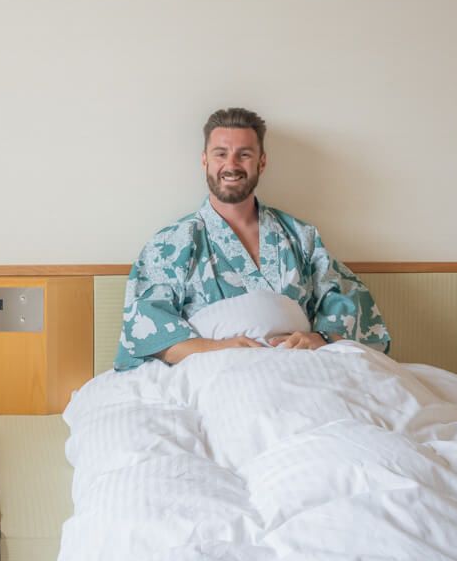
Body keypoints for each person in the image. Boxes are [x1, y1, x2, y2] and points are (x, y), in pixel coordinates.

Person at [114, 108, 389, 370]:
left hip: (303, 371)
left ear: (262, 161)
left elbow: (348, 308)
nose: (231, 165)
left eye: (243, 154)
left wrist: (322, 338)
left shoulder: (302, 237)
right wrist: (215, 348)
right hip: (215, 373)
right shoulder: (170, 245)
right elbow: (146, 335)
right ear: (204, 160)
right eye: (220, 154)